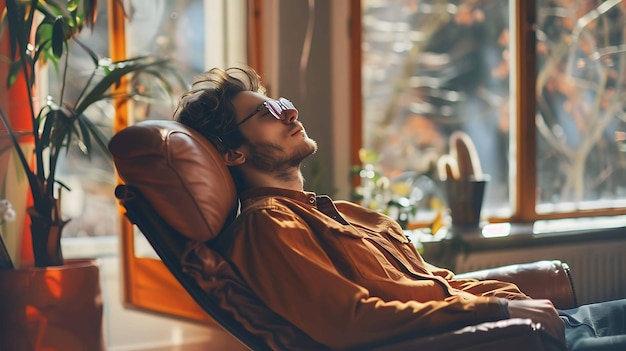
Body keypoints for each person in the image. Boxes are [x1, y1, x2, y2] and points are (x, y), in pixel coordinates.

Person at [174, 66, 626, 351]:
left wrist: (504, 297)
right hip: (499, 339)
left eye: (283, 104)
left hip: (541, 323)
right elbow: (349, 320)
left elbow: (431, 283)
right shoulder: (268, 227)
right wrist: (497, 314)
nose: (289, 113)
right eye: (268, 112)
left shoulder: (341, 212)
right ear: (233, 153)